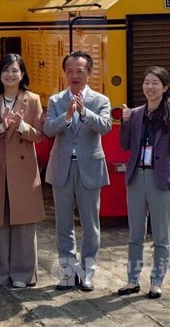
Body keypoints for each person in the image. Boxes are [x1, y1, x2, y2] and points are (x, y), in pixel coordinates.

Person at [43, 51, 111, 292]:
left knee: (90, 224)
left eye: (80, 71)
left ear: (89, 73)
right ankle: (68, 272)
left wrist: (84, 112)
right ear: (64, 73)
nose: (74, 75)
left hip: (89, 167)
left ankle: (88, 272)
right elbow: (48, 129)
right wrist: (67, 116)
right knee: (63, 224)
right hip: (62, 167)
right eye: (70, 71)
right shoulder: (55, 100)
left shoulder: (100, 100)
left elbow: (106, 127)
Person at [117, 66, 170, 299]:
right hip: (137, 177)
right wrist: (124, 122)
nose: (150, 87)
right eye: (147, 82)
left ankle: (156, 282)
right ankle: (132, 280)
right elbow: (125, 145)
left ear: (165, 88)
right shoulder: (136, 114)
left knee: (161, 236)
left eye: (155, 83)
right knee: (135, 234)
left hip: (161, 179)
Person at [0, 54, 45, 288]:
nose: (10, 74)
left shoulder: (33, 99)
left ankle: (24, 275)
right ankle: (1, 274)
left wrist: (22, 127)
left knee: (24, 223)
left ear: (23, 74)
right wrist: (1, 127)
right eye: (6, 70)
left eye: (15, 70)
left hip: (24, 169)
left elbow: (40, 134)